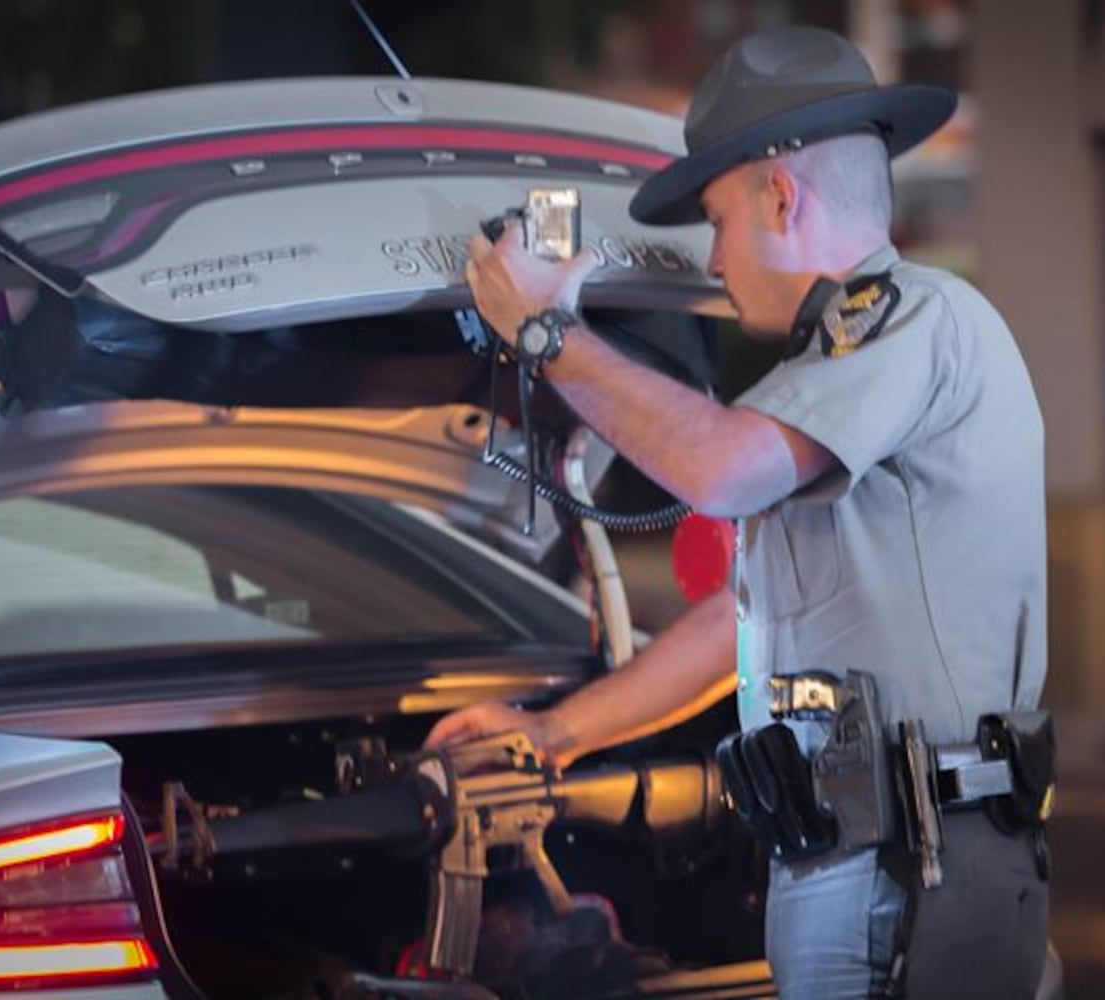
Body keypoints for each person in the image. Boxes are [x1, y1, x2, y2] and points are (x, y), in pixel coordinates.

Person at [426, 24, 1049, 999]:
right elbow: (743, 627)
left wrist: (548, 333)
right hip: (863, 864)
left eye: (714, 219)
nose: (713, 260)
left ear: (782, 194)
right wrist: (549, 734)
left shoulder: (921, 323)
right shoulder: (836, 380)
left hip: (912, 873)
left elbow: (722, 469)